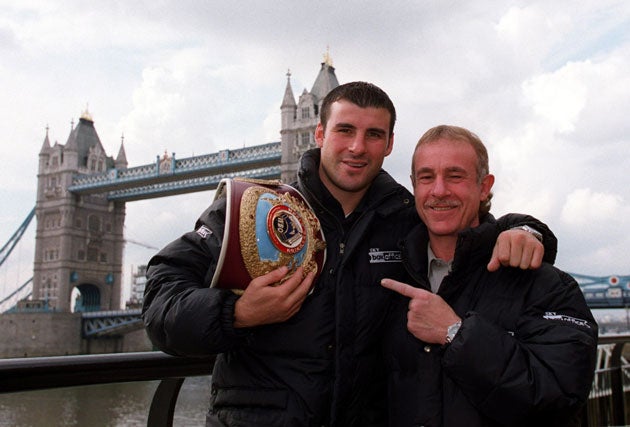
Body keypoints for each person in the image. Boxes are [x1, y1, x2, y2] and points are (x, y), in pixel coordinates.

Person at [142, 83, 554, 427]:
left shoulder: (407, 218)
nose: (358, 147)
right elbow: (161, 301)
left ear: (390, 144)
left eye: (374, 134)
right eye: (345, 130)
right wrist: (237, 315)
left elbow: (472, 228)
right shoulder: (253, 208)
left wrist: (525, 229)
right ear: (317, 133)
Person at [381, 125, 597, 427]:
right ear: (414, 186)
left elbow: (559, 395)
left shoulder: (546, 285)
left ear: (484, 186)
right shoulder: (388, 276)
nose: (439, 190)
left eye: (455, 176)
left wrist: (456, 333)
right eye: (427, 177)